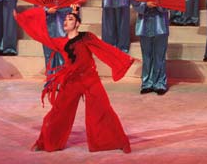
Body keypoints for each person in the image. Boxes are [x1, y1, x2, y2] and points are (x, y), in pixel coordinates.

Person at [15, 8, 135, 153]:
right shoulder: (60, 42)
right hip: (72, 81)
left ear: (78, 24)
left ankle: (117, 141)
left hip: (90, 79)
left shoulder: (86, 37)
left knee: (104, 110)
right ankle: (45, 142)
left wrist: (124, 59)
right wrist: (23, 19)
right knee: (57, 113)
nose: (66, 21)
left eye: (70, 19)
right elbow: (42, 36)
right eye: (65, 19)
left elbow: (105, 48)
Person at [132, 0, 169, 95]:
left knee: (159, 55)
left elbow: (170, 0)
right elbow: (134, 1)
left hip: (160, 22)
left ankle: (160, 82)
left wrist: (159, 5)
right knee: (146, 55)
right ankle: (146, 82)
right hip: (144, 22)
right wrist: (144, 5)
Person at [41, 0, 75, 73]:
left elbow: (71, 2)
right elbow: (37, 4)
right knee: (48, 51)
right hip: (47, 22)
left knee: (62, 49)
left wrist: (62, 9)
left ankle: (63, 75)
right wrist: (46, 10)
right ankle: (50, 76)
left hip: (61, 21)